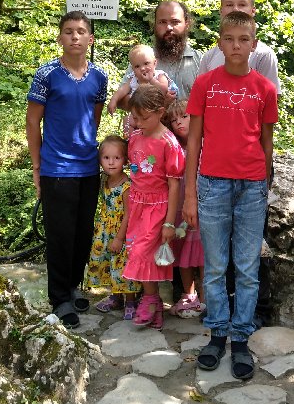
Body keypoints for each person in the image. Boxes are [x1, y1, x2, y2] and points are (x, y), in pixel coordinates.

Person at [183, 11, 278, 380]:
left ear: (253, 44)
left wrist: (263, 185)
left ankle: (240, 338)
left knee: (247, 268)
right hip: (212, 184)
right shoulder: (205, 83)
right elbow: (194, 142)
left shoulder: (264, 89)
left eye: (243, 39)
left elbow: (267, 143)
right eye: (229, 39)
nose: (236, 45)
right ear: (220, 43)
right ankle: (217, 333)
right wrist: (190, 194)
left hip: (251, 186)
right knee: (216, 265)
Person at [26, 11, 108, 330]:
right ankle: (59, 298)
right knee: (59, 235)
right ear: (60, 37)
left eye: (81, 31)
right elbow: (33, 121)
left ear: (90, 38)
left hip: (88, 166)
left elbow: (94, 118)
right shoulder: (46, 75)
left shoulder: (99, 77)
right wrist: (37, 165)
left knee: (82, 233)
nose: (75, 36)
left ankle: (73, 286)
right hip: (56, 167)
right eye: (69, 31)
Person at [121, 85, 186, 330]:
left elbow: (174, 185)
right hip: (137, 204)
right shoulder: (136, 137)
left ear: (160, 112)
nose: (137, 123)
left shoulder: (169, 143)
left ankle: (149, 300)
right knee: (137, 251)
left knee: (143, 253)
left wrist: (169, 222)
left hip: (157, 208)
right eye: (135, 118)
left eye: (143, 118)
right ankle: (156, 306)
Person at [85, 136, 140, 321]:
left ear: (125, 160)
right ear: (100, 160)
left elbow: (129, 214)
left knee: (122, 265)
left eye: (117, 158)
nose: (111, 162)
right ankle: (116, 298)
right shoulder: (104, 180)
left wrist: (119, 238)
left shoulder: (126, 185)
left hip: (121, 232)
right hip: (104, 232)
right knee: (109, 263)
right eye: (106, 158)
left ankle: (131, 300)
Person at [198, 0, 281, 91]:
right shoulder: (209, 57)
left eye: (242, 5)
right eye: (229, 5)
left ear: (253, 11)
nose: (235, 9)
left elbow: (271, 96)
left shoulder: (263, 55)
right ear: (221, 10)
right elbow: (201, 93)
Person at [165, 98, 206, 319]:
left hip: (203, 209)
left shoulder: (206, 144)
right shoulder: (174, 148)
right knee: (182, 253)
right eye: (173, 120)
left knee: (204, 254)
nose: (178, 122)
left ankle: (207, 298)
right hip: (180, 210)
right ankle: (188, 295)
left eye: (184, 116)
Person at [106, 44, 178, 115]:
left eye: (146, 63)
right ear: (133, 69)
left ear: (155, 63)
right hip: (138, 114)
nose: (142, 68)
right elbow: (121, 91)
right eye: (137, 66)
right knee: (127, 120)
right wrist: (113, 100)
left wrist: (151, 80)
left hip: (157, 113)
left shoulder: (159, 76)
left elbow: (164, 91)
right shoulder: (133, 79)